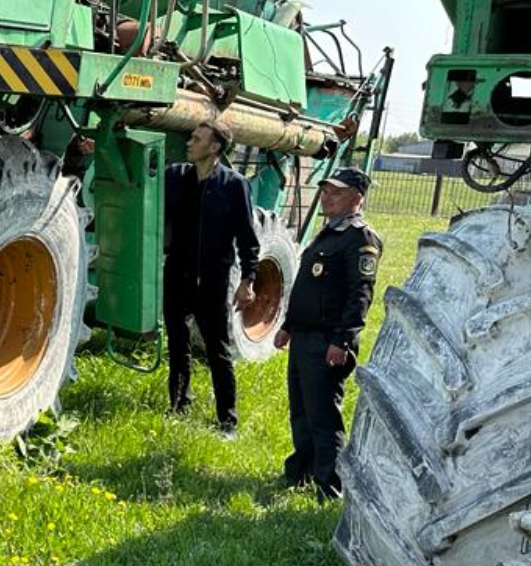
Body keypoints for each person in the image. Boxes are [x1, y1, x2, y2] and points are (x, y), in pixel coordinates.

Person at [274, 167, 382, 501]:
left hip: (327, 342)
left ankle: (329, 484)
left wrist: (342, 340)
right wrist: (288, 326)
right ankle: (301, 472)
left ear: (357, 197)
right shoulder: (330, 232)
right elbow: (309, 287)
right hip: (305, 337)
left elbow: (360, 293)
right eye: (325, 191)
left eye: (336, 191)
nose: (327, 196)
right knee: (302, 411)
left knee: (323, 415)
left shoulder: (360, 237)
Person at [163, 120, 259, 434]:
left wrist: (249, 279)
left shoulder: (233, 185)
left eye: (196, 138)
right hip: (177, 274)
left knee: (218, 350)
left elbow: (248, 237)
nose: (189, 142)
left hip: (212, 280)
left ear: (214, 147)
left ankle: (227, 421)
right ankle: (178, 405)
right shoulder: (176, 176)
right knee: (177, 344)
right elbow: (143, 177)